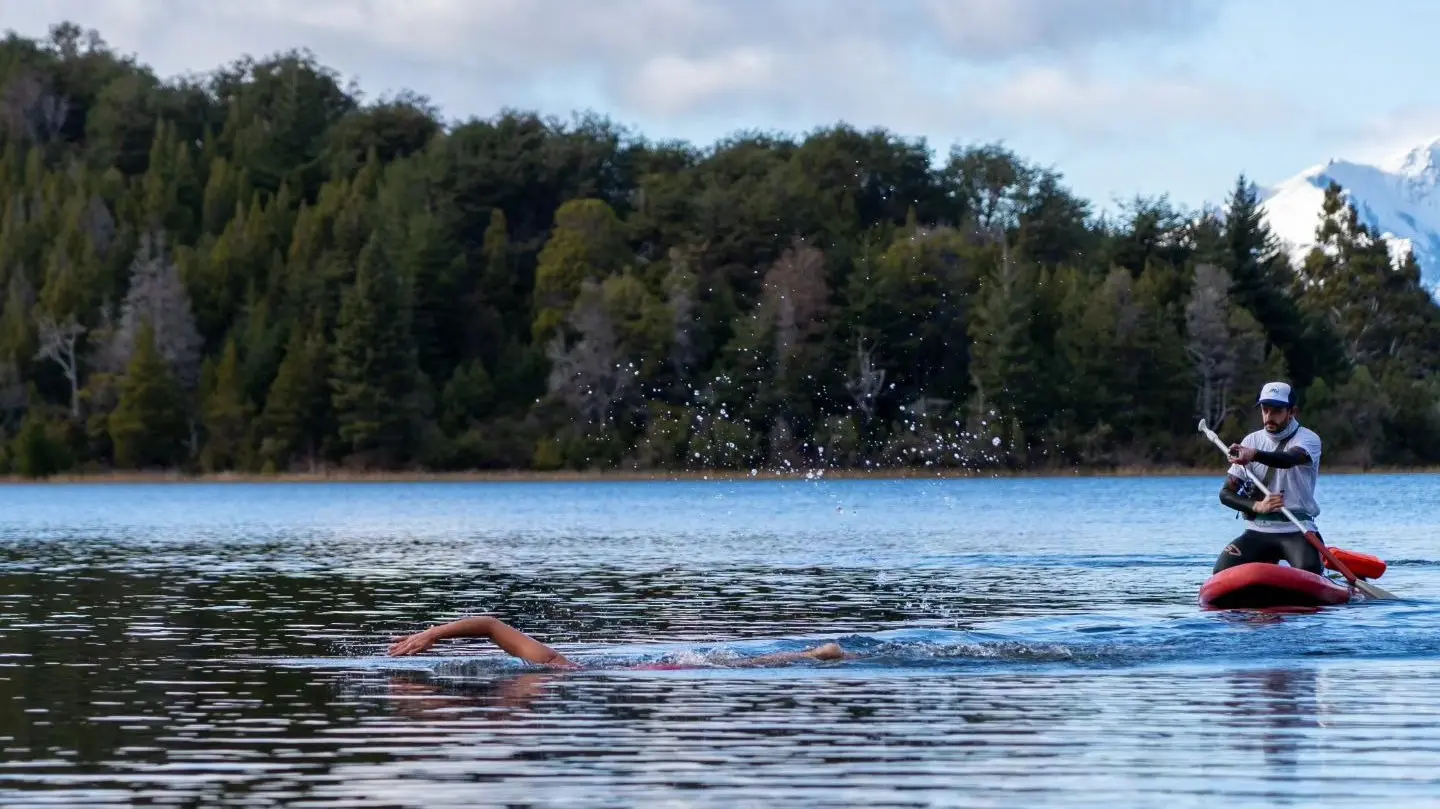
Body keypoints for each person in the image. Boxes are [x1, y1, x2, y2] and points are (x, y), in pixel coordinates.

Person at [386, 614, 848, 669]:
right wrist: (430, 636)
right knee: (734, 663)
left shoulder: (553, 667)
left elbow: (489, 625)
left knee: (738, 665)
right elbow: (489, 627)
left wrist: (429, 635)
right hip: (651, 671)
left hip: (656, 672)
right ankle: (814, 653)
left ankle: (814, 653)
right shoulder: (550, 669)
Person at [1213, 381, 1326, 575]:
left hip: (1297, 529)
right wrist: (1257, 506)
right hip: (1258, 531)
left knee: (1310, 571)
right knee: (1220, 572)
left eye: (1276, 411)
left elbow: (1288, 459)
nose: (1269, 417)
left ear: (1292, 412)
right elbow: (1225, 494)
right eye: (1265, 410)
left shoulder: (1308, 439)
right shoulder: (1251, 441)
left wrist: (1254, 455)